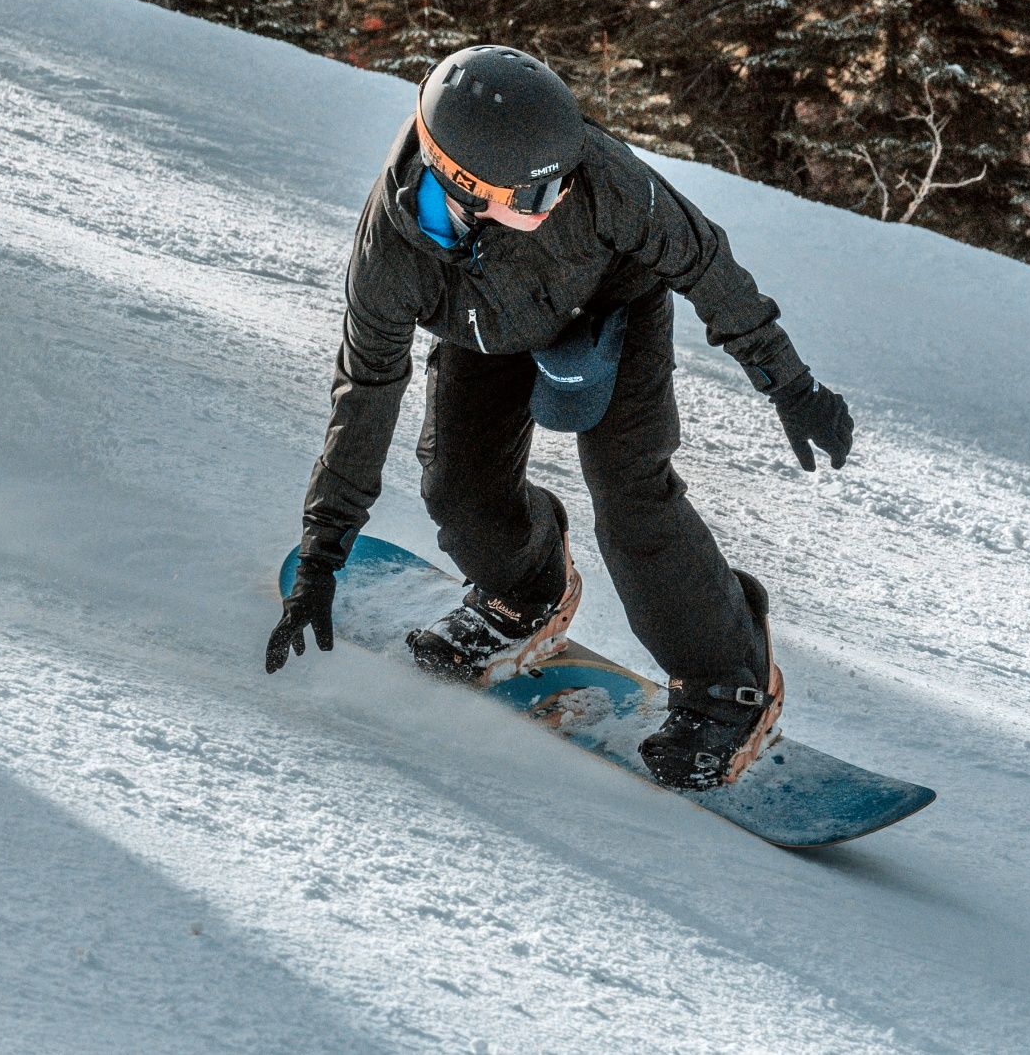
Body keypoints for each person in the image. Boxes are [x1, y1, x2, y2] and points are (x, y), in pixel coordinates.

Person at [264, 45, 853, 790]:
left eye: (562, 178)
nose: (560, 195)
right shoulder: (392, 256)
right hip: (482, 328)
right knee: (457, 491)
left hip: (614, 305)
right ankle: (528, 589)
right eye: (537, 195)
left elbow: (703, 260)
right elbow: (367, 388)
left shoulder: (598, 176)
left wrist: (789, 382)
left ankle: (729, 681)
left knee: (631, 491)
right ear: (464, 188)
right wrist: (323, 553)